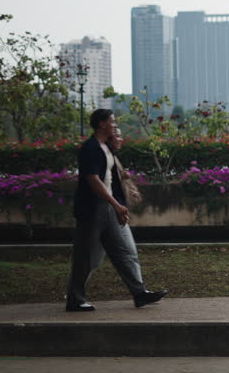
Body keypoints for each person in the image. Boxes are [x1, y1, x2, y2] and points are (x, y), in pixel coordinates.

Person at [65, 109, 167, 312]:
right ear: (102, 124)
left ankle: (139, 293)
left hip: (109, 208)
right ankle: (75, 300)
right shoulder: (91, 148)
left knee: (124, 252)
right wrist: (116, 204)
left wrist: (117, 201)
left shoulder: (105, 147)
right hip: (93, 209)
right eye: (112, 121)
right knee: (85, 256)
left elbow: (108, 178)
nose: (114, 124)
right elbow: (93, 181)